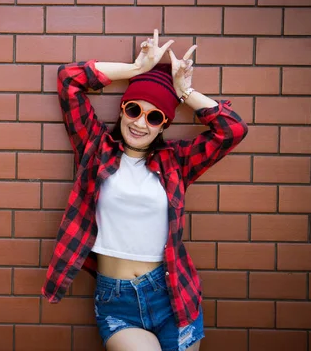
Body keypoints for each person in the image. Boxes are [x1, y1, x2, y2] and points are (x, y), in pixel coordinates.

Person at [41, 29, 248, 351]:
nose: (141, 123)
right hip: (116, 299)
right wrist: (136, 70)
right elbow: (69, 80)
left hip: (173, 294)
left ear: (164, 125)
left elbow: (232, 130)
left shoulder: (176, 162)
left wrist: (185, 91)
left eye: (155, 117)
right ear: (123, 109)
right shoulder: (96, 148)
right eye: (134, 110)